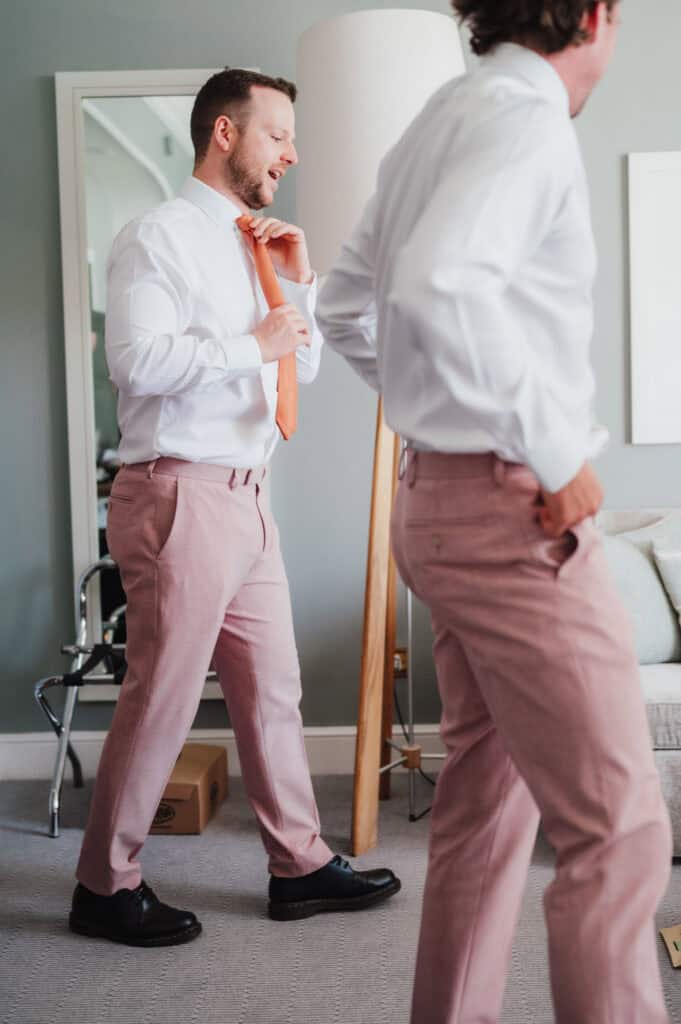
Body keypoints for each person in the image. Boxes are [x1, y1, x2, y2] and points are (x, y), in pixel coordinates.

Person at [317, 3, 671, 1021]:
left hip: (433, 500)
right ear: (597, 14)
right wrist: (550, 452)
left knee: (485, 797)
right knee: (620, 828)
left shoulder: (442, 113)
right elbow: (436, 284)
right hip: (511, 511)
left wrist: (437, 402)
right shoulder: (524, 119)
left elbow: (345, 304)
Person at [69, 68, 400, 948]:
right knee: (164, 699)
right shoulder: (156, 237)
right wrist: (247, 339)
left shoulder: (261, 244)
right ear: (225, 133)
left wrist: (293, 283)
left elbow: (306, 366)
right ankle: (105, 885)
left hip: (247, 498)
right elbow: (134, 364)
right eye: (278, 134)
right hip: (180, 493)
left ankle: (298, 866)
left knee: (271, 691)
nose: (290, 153)